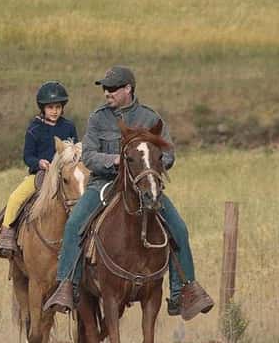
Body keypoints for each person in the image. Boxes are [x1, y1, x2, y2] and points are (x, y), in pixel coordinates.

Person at [43, 66, 214, 320]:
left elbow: (168, 154)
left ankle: (184, 290)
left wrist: (149, 167)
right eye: (104, 89)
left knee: (179, 228)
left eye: (112, 89)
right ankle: (68, 285)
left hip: (143, 185)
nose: (106, 93)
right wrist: (113, 160)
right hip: (103, 183)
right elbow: (88, 155)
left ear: (128, 89)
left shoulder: (150, 119)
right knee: (74, 224)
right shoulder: (98, 118)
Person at [0, 81, 78, 258]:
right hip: (41, 174)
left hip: (65, 174)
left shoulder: (68, 127)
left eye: (58, 107)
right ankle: (7, 234)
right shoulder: (34, 128)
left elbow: (75, 150)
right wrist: (39, 163)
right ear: (43, 108)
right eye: (50, 107)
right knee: (15, 197)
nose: (54, 111)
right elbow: (28, 156)